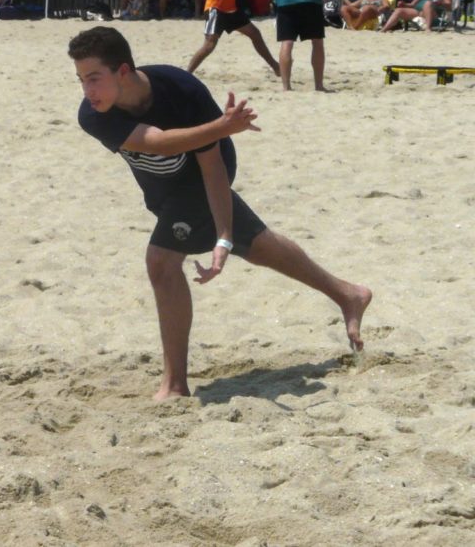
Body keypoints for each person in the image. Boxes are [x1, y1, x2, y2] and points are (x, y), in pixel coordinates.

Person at [69, 26, 372, 400]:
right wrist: (221, 127)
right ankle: (348, 294)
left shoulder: (180, 90)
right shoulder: (94, 115)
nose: (87, 90)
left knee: (161, 262)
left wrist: (223, 237)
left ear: (123, 71)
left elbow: (211, 166)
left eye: (94, 78)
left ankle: (174, 385)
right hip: (166, 190)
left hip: (202, 176)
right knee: (258, 245)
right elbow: (158, 144)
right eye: (81, 80)